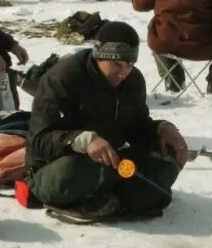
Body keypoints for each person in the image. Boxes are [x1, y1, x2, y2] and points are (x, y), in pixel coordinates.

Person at [26, 21, 188, 223]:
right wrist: (83, 141)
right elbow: (39, 142)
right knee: (75, 172)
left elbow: (136, 126)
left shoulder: (133, 81)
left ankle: (110, 200)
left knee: (166, 158)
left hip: (112, 162)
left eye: (129, 65)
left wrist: (162, 129)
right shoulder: (62, 78)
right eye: (117, 65)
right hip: (59, 166)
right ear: (99, 55)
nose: (123, 73)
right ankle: (121, 198)